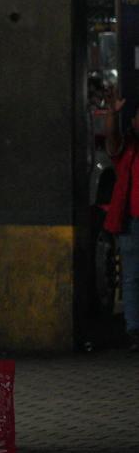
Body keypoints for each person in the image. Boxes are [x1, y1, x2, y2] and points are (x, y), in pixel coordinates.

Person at [99, 89, 139, 351]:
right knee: (132, 277)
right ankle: (134, 330)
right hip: (131, 222)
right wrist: (112, 114)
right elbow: (111, 140)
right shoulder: (128, 149)